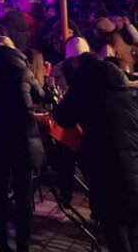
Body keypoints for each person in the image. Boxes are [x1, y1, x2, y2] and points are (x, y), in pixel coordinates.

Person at [54, 53, 138, 252]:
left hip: (106, 166)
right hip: (134, 161)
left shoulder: (84, 86)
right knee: (133, 225)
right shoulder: (123, 85)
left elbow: (62, 117)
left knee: (115, 227)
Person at [0, 32, 44, 252]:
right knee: (23, 192)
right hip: (21, 135)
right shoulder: (23, 68)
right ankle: (23, 244)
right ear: (13, 50)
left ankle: (1, 243)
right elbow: (40, 95)